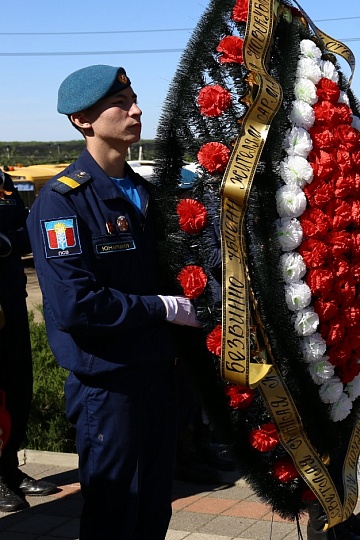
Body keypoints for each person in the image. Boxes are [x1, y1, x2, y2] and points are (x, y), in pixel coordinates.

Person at [27, 65, 201, 538]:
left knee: (152, 515)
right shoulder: (64, 203)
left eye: (134, 99)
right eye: (120, 103)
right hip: (109, 388)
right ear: (82, 119)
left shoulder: (145, 196)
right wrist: (161, 308)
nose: (136, 109)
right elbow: (75, 305)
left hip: (159, 378)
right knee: (113, 516)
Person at [0, 171, 58, 513]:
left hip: (11, 300)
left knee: (18, 386)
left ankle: (8, 467)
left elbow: (28, 231)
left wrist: (6, 242)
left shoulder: (4, 180)